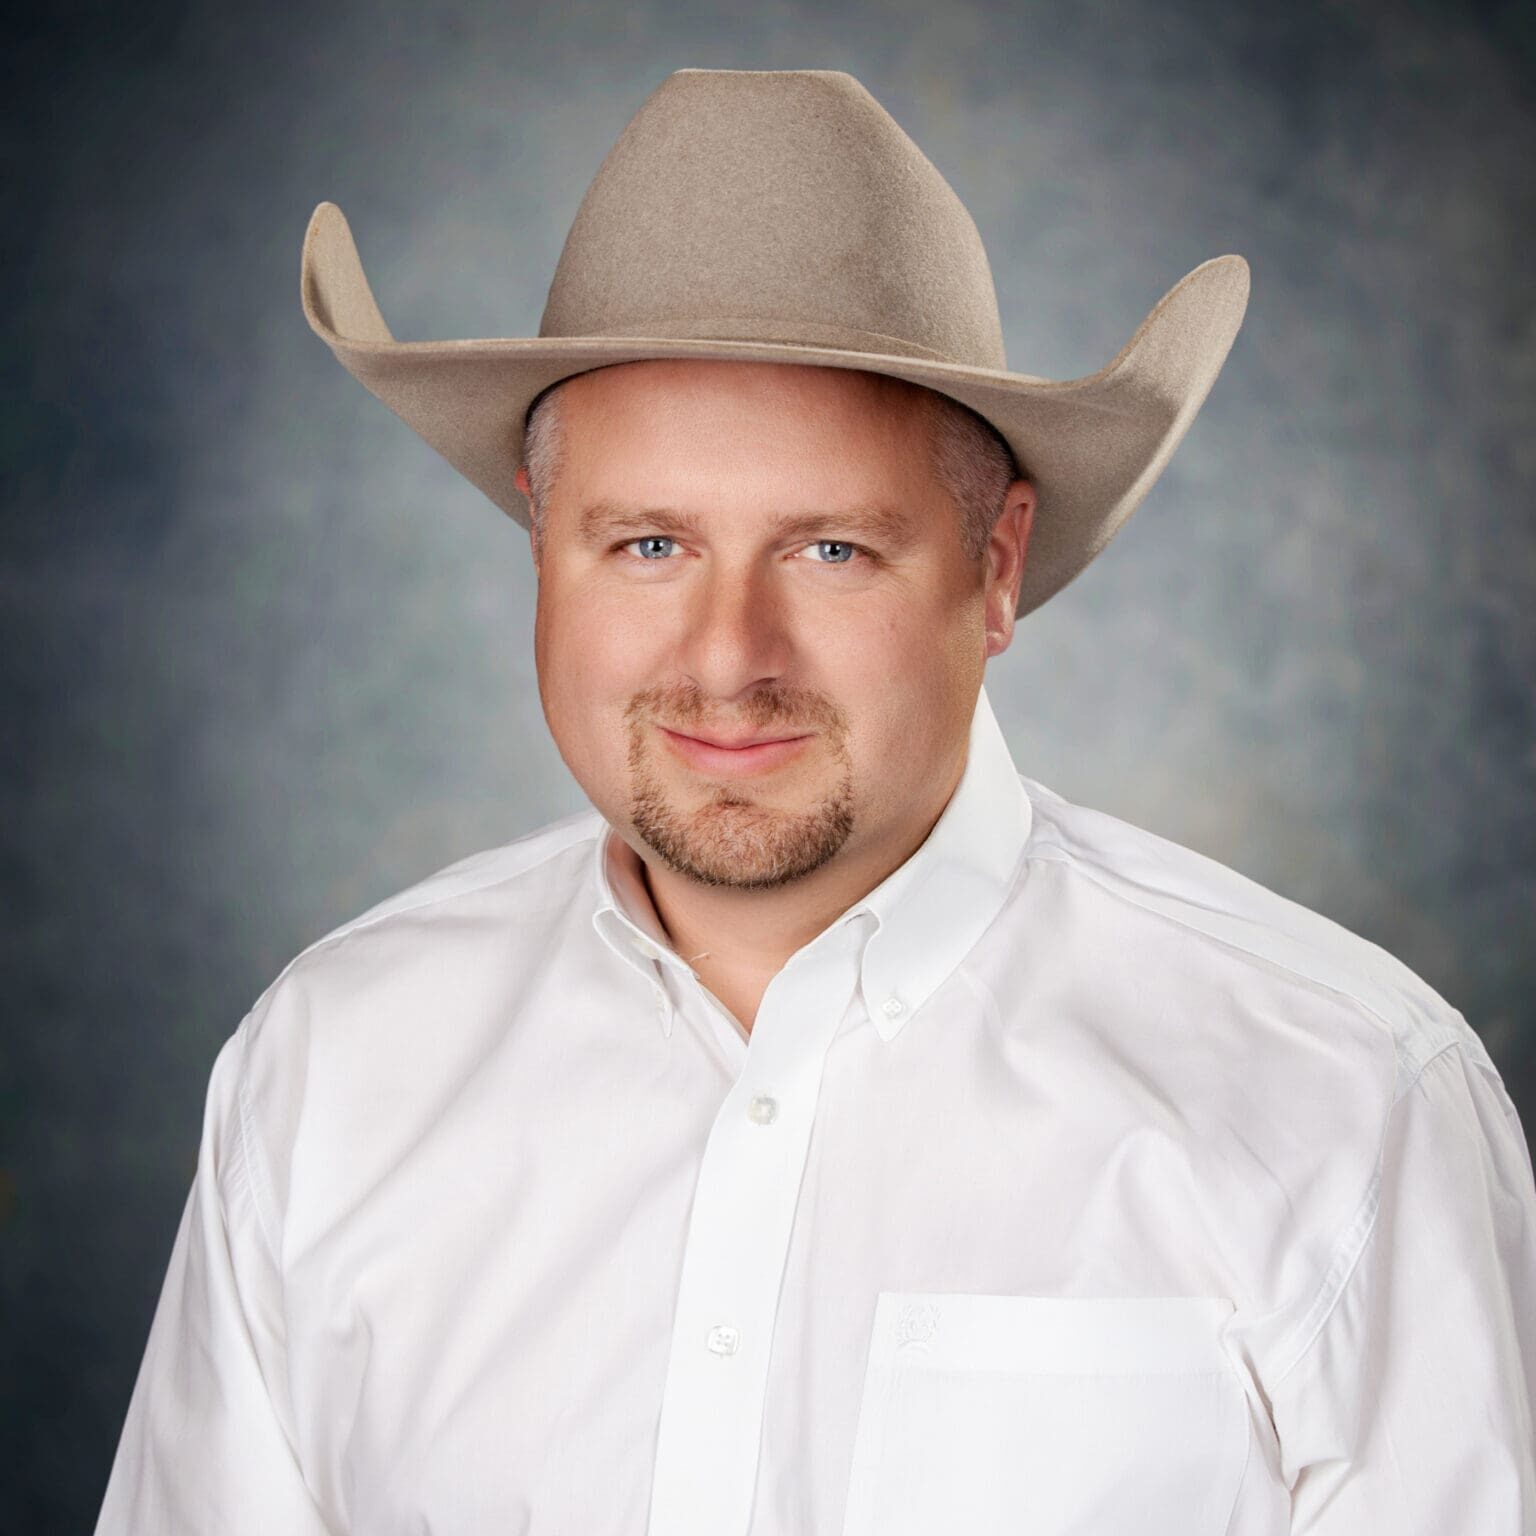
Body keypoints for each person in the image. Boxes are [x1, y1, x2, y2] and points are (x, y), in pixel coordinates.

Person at [96, 67, 1535, 1536]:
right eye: (648, 544)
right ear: (542, 544)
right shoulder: (328, 1072)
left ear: (997, 568)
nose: (729, 660)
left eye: (833, 551)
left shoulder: (1341, 1102)